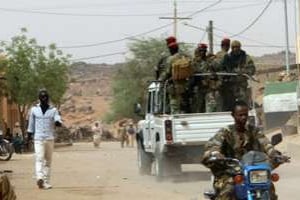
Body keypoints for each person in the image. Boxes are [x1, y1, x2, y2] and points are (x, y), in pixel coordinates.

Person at [202, 100, 283, 200]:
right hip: (230, 171)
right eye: (240, 115)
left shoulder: (254, 130)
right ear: (233, 115)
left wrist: (274, 153)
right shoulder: (226, 132)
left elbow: (265, 143)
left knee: (268, 186)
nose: (243, 118)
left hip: (252, 169)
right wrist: (215, 153)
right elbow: (214, 145)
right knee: (228, 188)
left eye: (245, 115)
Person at [27, 89, 62, 189]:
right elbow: (31, 125)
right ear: (39, 98)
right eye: (42, 97)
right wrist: (28, 137)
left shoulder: (53, 110)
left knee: (48, 161)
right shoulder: (34, 110)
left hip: (49, 139)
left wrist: (58, 122)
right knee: (39, 158)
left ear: (48, 98)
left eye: (46, 96)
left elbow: (57, 119)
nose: (44, 98)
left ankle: (45, 181)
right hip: (38, 139)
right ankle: (39, 178)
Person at [221, 40, 256, 111]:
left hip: (241, 85)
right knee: (229, 105)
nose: (235, 49)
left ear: (240, 48)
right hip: (230, 85)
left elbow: (252, 69)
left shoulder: (246, 58)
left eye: (237, 47)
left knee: (242, 104)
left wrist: (242, 71)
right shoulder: (227, 57)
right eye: (233, 47)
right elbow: (222, 68)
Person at [160, 42, 192, 114]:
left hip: (174, 86)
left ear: (171, 50)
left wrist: (161, 80)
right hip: (185, 85)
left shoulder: (171, 59)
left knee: (174, 104)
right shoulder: (185, 57)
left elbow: (167, 72)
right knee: (185, 103)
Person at [191, 43, 222, 112]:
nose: (202, 52)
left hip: (209, 88)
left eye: (204, 51)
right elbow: (193, 72)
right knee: (197, 108)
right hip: (199, 87)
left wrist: (213, 59)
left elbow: (218, 67)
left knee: (210, 108)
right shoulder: (195, 61)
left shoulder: (210, 60)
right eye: (200, 51)